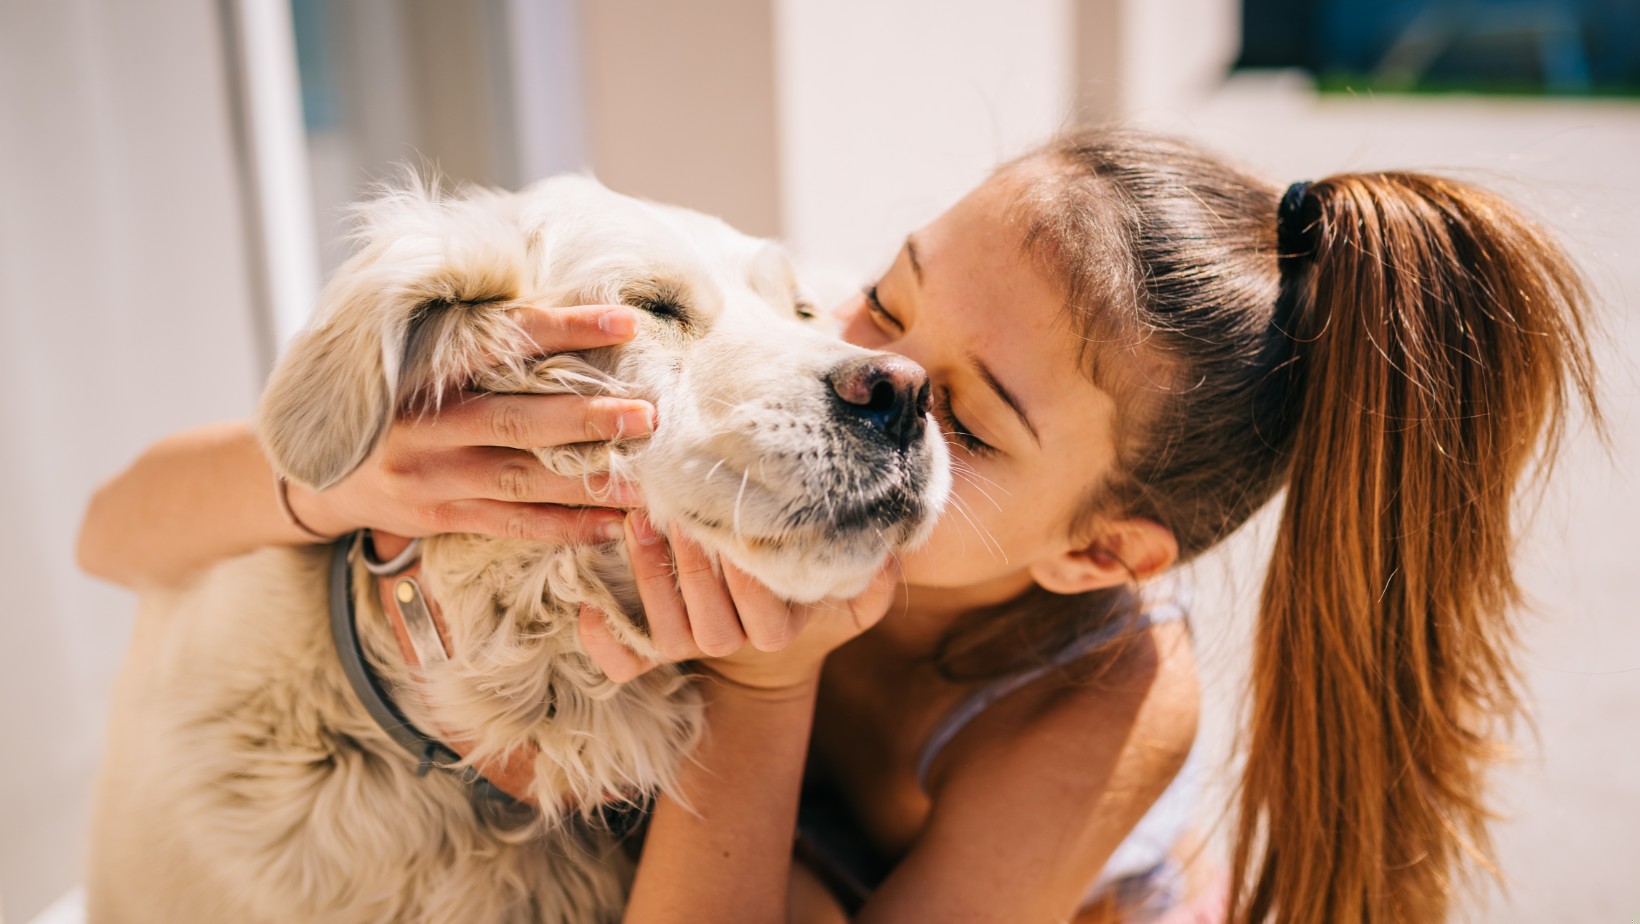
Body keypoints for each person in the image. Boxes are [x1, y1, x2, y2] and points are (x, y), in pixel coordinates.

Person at [78, 128, 1597, 923]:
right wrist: (342, 483)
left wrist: (764, 686)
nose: (860, 373)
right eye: (881, 293)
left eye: (970, 417)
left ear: (1099, 553)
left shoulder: (1106, 692)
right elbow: (113, 531)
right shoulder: (734, 421)